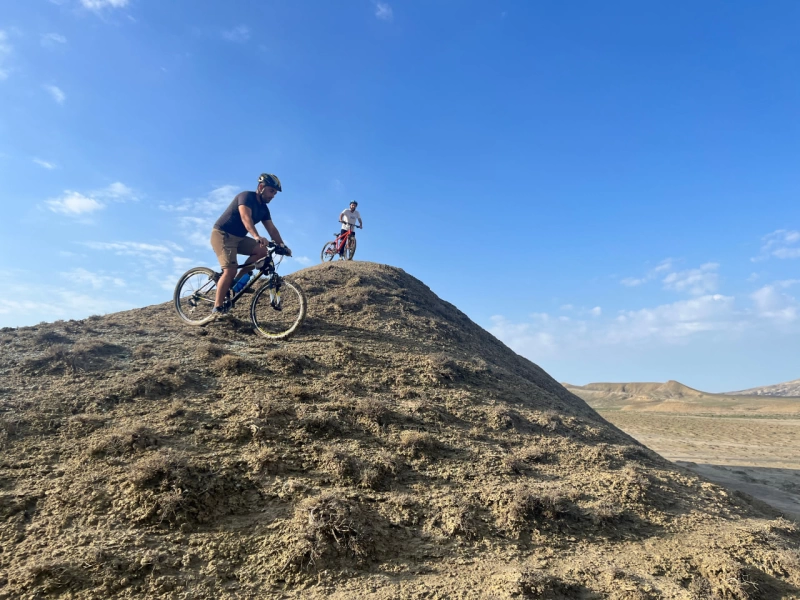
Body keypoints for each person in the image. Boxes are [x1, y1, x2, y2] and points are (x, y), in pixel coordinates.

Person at [209, 173, 291, 318]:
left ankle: (236, 283)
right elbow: (246, 218)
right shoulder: (246, 197)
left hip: (239, 238)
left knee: (262, 251)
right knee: (230, 270)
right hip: (222, 235)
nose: (273, 195)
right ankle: (217, 308)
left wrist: (282, 245)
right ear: (261, 187)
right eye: (272, 191)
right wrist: (257, 236)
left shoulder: (264, 209)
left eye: (275, 193)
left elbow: (271, 229)